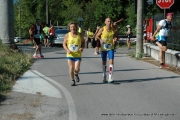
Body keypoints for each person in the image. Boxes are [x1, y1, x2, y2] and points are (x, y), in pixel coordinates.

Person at [63, 22, 85, 86]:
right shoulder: (67, 35)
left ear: (76, 27)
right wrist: (67, 50)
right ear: (69, 28)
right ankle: (72, 80)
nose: (73, 28)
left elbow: (83, 42)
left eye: (74, 27)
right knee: (71, 68)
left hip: (77, 54)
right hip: (70, 54)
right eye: (71, 27)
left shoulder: (79, 35)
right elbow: (64, 44)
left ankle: (76, 74)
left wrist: (82, 47)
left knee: (77, 68)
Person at [96, 17, 117, 83]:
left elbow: (115, 36)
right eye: (108, 21)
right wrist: (100, 40)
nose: (109, 23)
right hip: (103, 48)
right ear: (105, 22)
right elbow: (97, 36)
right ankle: (104, 75)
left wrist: (115, 39)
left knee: (111, 61)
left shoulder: (113, 29)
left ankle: (110, 77)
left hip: (111, 47)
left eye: (110, 21)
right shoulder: (102, 29)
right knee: (104, 62)